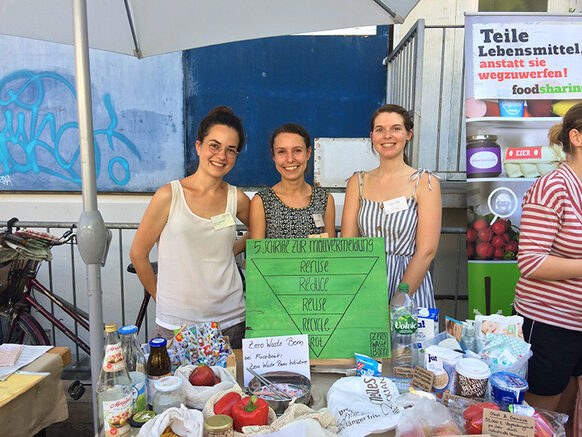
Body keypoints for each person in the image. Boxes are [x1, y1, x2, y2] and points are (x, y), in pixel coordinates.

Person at [129, 106, 250, 348]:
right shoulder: (169, 195)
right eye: (214, 145)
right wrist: (161, 298)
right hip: (176, 326)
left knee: (227, 386)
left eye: (231, 150)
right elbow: (138, 254)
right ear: (198, 146)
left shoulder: (237, 198)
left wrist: (231, 251)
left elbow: (259, 231)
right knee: (174, 386)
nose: (221, 155)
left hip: (230, 321)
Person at [514, 102, 582, 437]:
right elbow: (531, 261)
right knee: (539, 420)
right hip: (551, 323)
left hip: (578, 322)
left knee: (567, 419)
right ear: (576, 137)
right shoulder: (554, 187)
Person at [340, 104, 441, 307]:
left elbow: (426, 251)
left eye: (395, 128)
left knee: (406, 338)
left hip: (409, 288)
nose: (387, 135)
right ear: (372, 136)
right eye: (380, 129)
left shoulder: (425, 182)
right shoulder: (357, 182)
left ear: (408, 134)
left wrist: (398, 301)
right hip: (365, 285)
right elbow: (348, 246)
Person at [249, 123, 335, 239]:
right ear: (273, 156)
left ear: (308, 153)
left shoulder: (325, 199)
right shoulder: (261, 201)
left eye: (297, 150)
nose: (290, 159)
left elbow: (330, 251)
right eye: (281, 152)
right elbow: (257, 254)